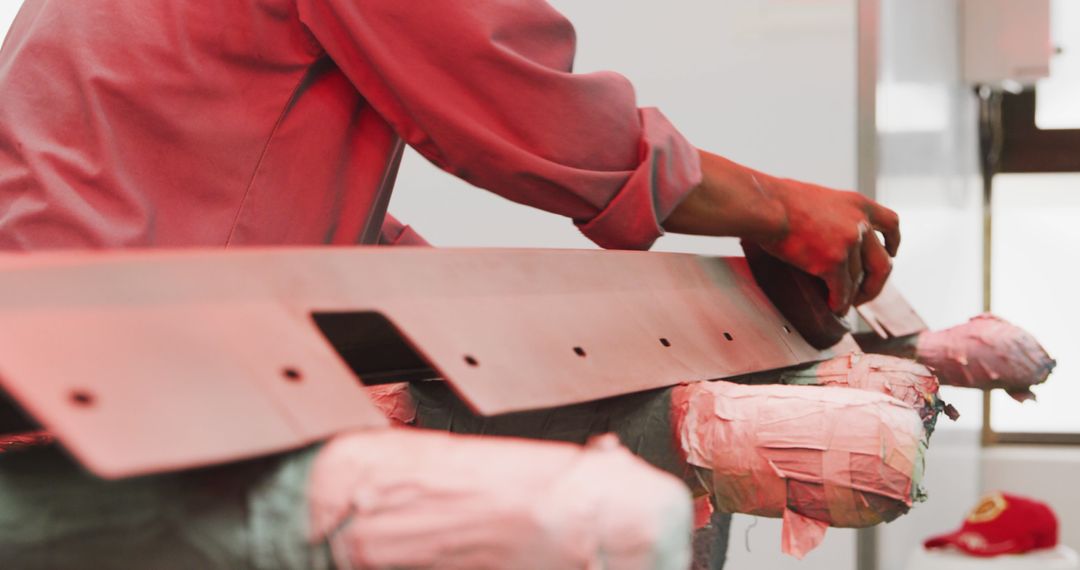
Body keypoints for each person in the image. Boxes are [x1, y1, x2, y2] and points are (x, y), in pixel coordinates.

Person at [0, 0, 898, 316]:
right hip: (123, 365)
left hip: (54, 333)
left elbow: (214, 160)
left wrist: (441, 296)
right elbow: (527, 112)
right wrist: (781, 209)